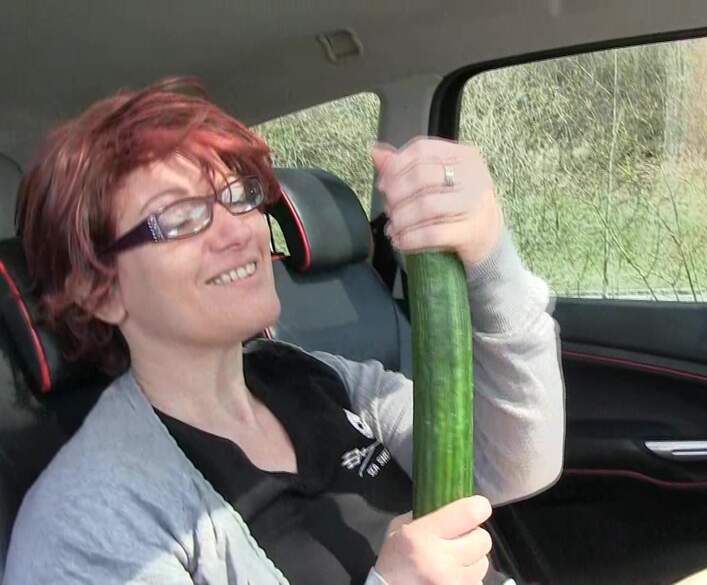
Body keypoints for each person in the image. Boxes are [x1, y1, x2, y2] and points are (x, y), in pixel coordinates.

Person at [1, 79, 565, 585]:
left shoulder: (318, 377)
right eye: (179, 217)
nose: (238, 232)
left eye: (238, 195)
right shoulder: (88, 517)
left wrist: (489, 256)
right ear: (99, 290)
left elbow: (507, 466)